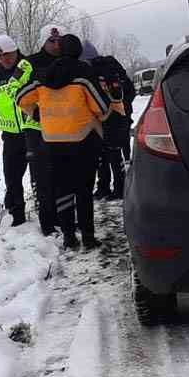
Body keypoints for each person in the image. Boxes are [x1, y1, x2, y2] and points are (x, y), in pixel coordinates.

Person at [16, 34, 108, 249]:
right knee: (83, 190)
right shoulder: (84, 73)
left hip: (52, 141)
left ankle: (68, 237)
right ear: (78, 51)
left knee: (62, 189)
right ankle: (88, 237)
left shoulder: (42, 75)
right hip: (82, 139)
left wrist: (36, 113)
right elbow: (102, 109)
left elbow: (20, 98)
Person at [0, 34, 37, 226]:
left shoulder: (28, 66)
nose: (5, 59)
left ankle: (44, 210)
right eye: (0, 56)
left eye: (8, 54)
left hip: (32, 131)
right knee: (12, 177)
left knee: (37, 176)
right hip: (10, 135)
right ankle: (17, 215)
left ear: (16, 51)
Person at [21, 24, 67, 234]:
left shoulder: (68, 61)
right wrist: (36, 113)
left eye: (59, 40)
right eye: (51, 41)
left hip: (63, 128)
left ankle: (64, 220)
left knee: (62, 175)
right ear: (43, 41)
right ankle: (48, 224)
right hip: (37, 129)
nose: (56, 44)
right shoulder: (30, 63)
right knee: (43, 177)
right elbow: (16, 91)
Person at [79, 40, 133, 199]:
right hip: (115, 117)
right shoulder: (111, 67)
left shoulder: (94, 72)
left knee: (107, 154)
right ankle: (113, 187)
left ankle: (111, 188)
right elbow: (129, 91)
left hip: (105, 118)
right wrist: (125, 112)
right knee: (110, 154)